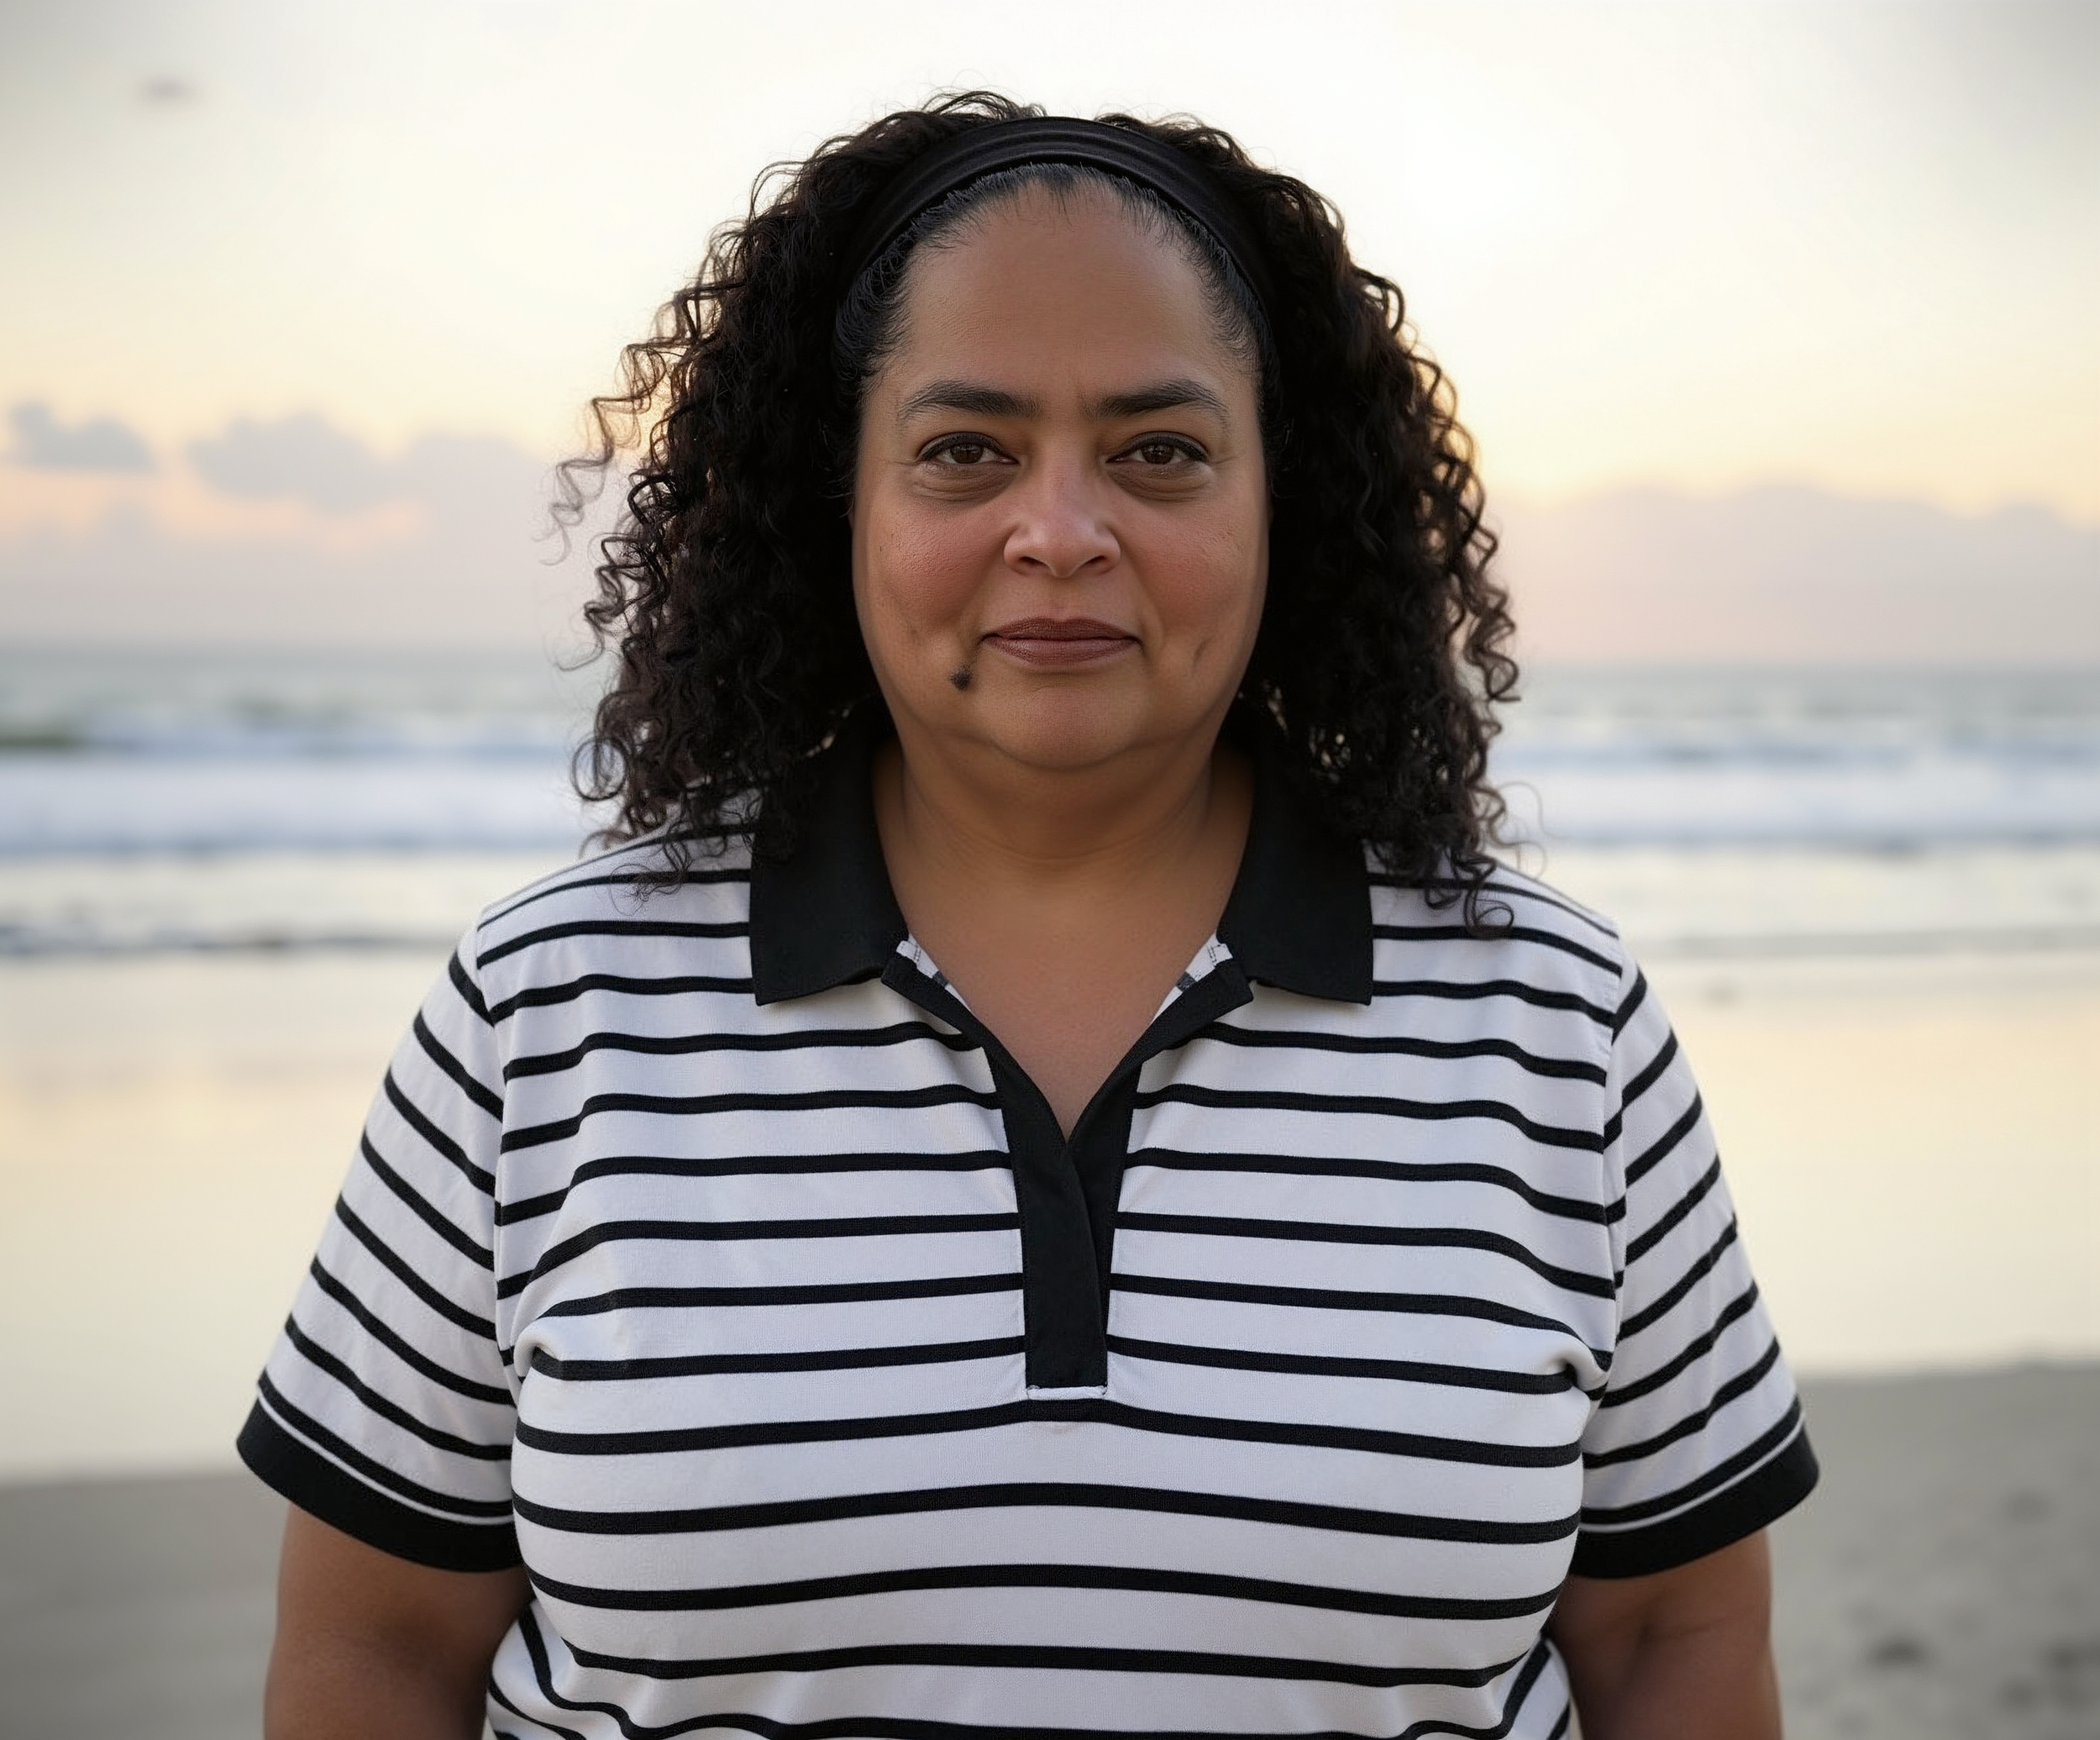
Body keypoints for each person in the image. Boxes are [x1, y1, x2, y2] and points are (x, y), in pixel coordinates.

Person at [239, 92, 1817, 1739]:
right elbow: (376, 1652)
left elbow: (1670, 1646)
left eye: (1158, 452)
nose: (1059, 533)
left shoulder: (1552, 1024)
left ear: (1282, 502)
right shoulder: (545, 1012)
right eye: (963, 451)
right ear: (835, 503)